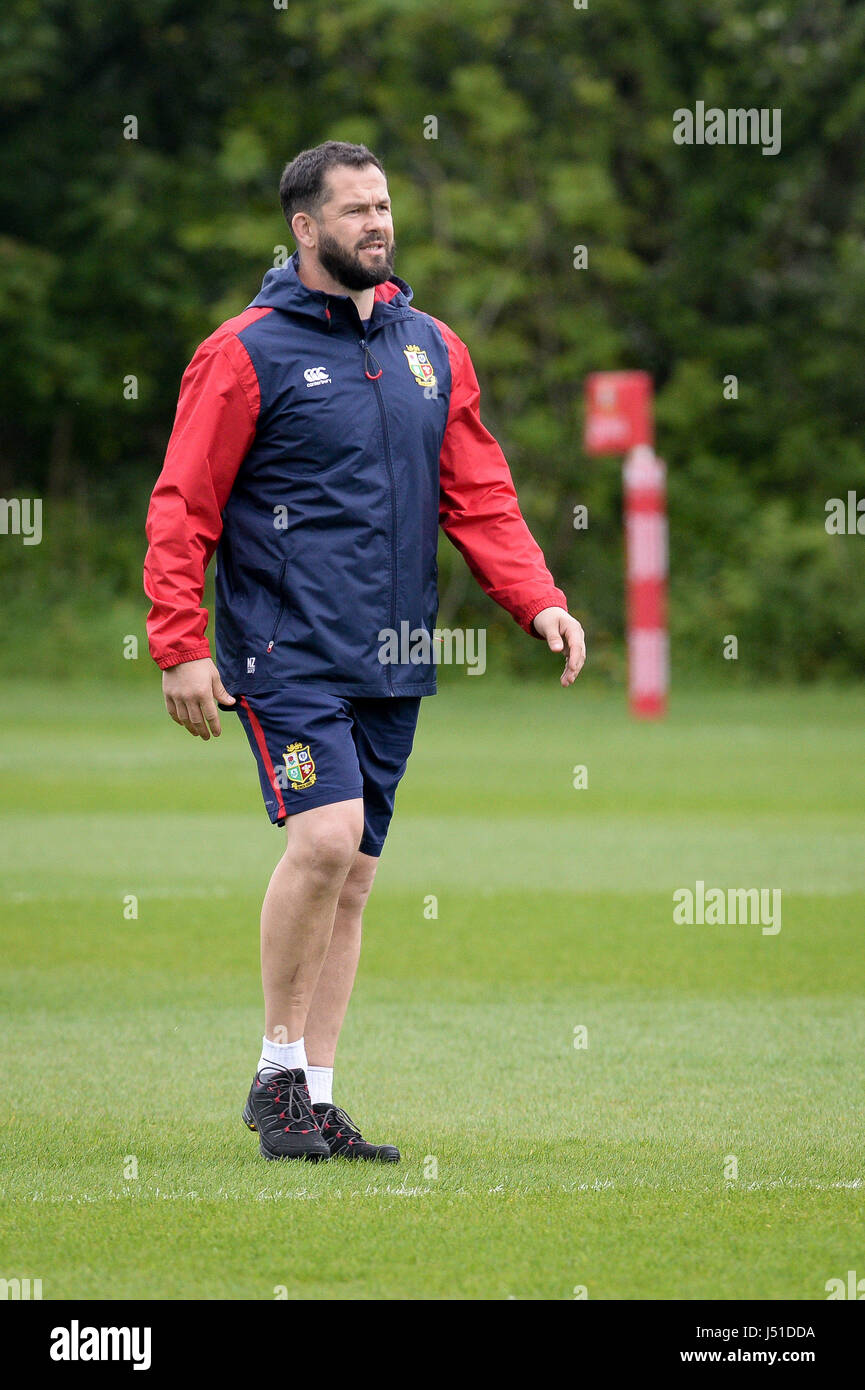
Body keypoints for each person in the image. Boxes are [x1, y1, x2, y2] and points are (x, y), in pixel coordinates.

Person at [144, 140, 586, 1162]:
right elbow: (184, 505)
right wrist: (179, 643)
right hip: (281, 649)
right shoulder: (244, 350)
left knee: (354, 876)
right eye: (354, 211)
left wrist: (537, 599)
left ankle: (318, 1095)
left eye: (383, 206)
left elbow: (478, 492)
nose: (376, 224)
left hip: (391, 653)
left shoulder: (432, 345)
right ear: (305, 229)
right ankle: (273, 1073)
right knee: (325, 837)